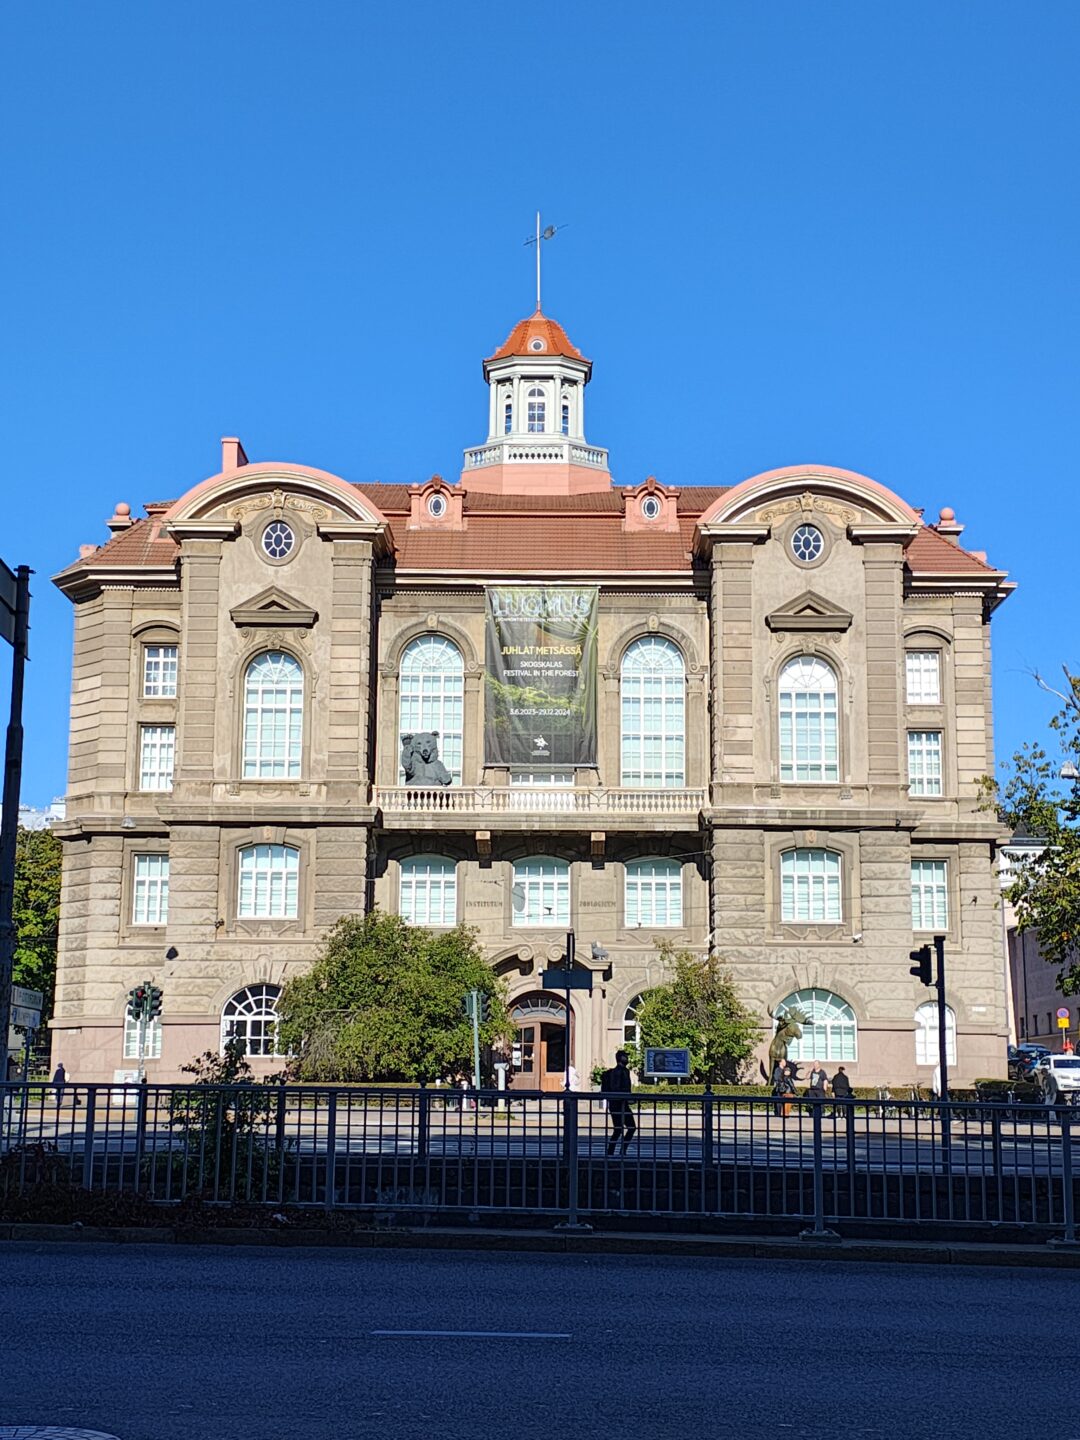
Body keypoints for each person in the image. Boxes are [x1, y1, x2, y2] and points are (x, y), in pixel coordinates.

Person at [599, 1050, 636, 1156]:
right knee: (628, 1128)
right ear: (621, 1058)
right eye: (625, 1057)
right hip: (620, 1104)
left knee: (619, 1129)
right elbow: (618, 1087)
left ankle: (613, 1151)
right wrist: (626, 1096)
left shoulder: (621, 1071)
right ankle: (619, 1151)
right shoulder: (620, 1071)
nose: (627, 1059)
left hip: (617, 1104)